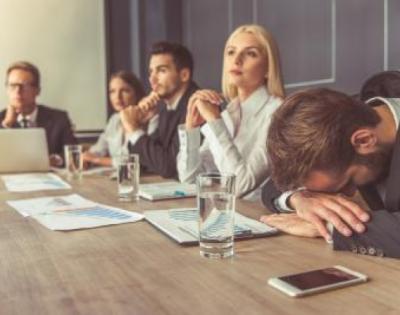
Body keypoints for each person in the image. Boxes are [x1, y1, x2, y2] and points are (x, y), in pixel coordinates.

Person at [261, 88, 400, 258]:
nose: (344, 197)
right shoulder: (341, 116)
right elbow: (274, 184)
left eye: (348, 182)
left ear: (364, 140)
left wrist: (329, 225)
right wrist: (300, 199)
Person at [177, 24, 285, 199]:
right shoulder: (228, 113)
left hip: (259, 218)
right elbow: (189, 180)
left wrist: (213, 121)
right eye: (231, 52)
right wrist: (191, 130)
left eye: (250, 53)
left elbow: (239, 186)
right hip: (226, 214)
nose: (237, 60)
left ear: (267, 68)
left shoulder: (278, 113)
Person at [121, 41, 198, 178]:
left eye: (162, 70)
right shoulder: (164, 108)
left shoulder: (197, 105)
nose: (152, 79)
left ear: (184, 75)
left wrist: (133, 129)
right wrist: (141, 125)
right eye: (151, 72)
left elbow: (170, 167)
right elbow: (143, 164)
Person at [0, 61, 76, 166]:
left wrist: (55, 160)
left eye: (24, 86)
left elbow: (73, 152)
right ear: (7, 90)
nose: (18, 91)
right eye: (12, 86)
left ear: (37, 90)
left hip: (48, 178)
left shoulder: (59, 118)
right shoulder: (2, 119)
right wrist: (6, 125)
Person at [82, 71, 157, 168]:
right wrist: (84, 158)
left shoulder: (151, 119)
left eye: (124, 91)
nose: (117, 97)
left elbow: (131, 161)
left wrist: (95, 159)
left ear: (136, 93)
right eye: (112, 91)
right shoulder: (114, 119)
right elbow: (98, 149)